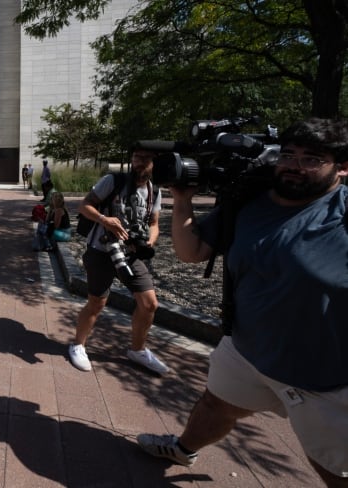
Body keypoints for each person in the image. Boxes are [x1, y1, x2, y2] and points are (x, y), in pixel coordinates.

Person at [137, 118, 348, 487]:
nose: (294, 165)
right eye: (288, 154)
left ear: (342, 167)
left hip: (325, 377)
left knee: (332, 468)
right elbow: (192, 251)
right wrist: (183, 200)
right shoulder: (249, 202)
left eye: (312, 158)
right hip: (246, 352)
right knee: (214, 406)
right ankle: (183, 450)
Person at [68, 149, 168, 374]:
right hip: (101, 251)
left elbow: (154, 222)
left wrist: (149, 242)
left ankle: (138, 350)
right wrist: (104, 220)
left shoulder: (154, 191)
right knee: (97, 303)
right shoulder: (113, 181)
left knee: (150, 304)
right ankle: (77, 345)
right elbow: (85, 206)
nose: (139, 162)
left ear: (154, 162)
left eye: (144, 158)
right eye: (136, 157)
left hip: (131, 255)